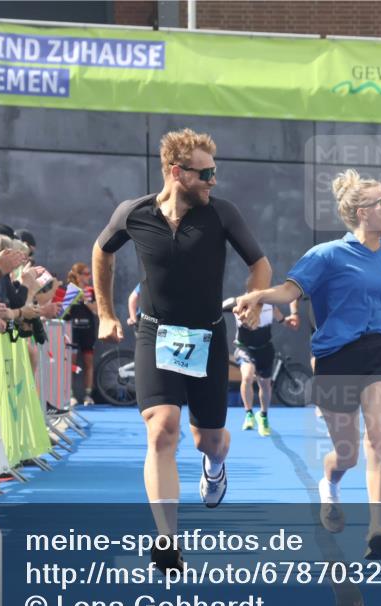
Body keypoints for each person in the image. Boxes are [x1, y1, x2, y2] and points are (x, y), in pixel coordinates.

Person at [235, 169, 381, 560]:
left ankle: (377, 526)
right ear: (361, 212)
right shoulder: (326, 255)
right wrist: (260, 294)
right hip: (336, 356)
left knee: (378, 435)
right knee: (347, 453)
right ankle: (331, 483)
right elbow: (290, 290)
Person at [93, 128, 271, 572]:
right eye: (205, 173)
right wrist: (106, 313)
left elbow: (260, 264)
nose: (213, 180)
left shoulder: (222, 214)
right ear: (177, 172)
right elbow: (102, 252)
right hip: (156, 335)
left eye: (214, 172)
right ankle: (167, 540)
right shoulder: (132, 213)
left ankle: (215, 467)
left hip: (206, 338)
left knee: (208, 440)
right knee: (161, 429)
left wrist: (253, 297)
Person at [232, 300, 294, 437]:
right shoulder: (238, 304)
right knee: (247, 376)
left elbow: (282, 320)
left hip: (265, 350)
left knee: (265, 384)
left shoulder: (271, 305)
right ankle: (249, 414)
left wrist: (289, 321)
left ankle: (263, 416)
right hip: (245, 349)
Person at [63, 262, 98, 406]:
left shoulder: (91, 291)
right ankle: (70, 395)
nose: (89, 277)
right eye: (86, 274)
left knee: (89, 362)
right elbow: (63, 312)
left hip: (88, 330)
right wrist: (73, 299)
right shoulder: (69, 290)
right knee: (71, 363)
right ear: (77, 276)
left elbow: (96, 310)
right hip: (72, 330)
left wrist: (85, 300)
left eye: (89, 274)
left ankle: (88, 395)